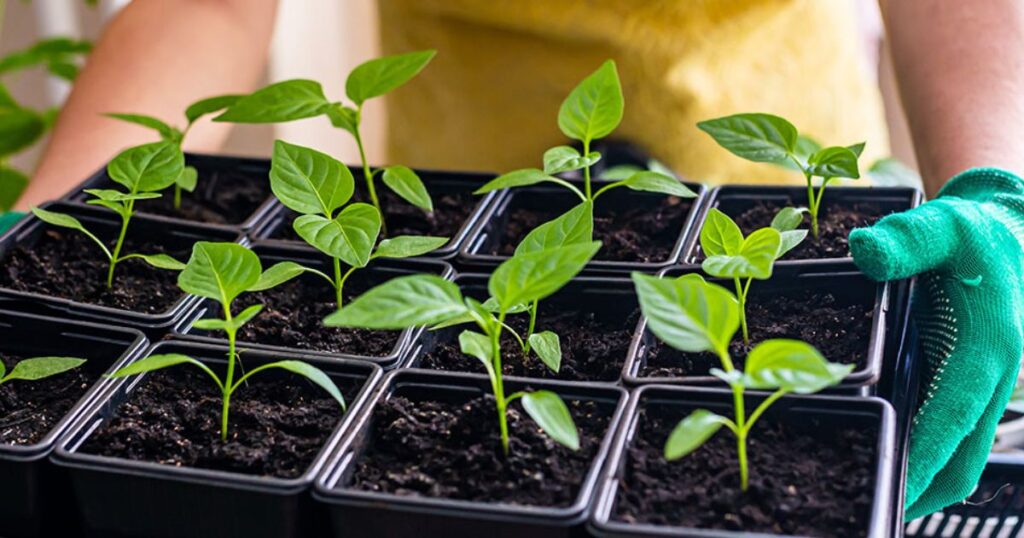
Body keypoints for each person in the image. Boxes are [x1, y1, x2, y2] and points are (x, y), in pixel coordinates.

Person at [6, 0, 1024, 520]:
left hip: (762, 181)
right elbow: (209, 4)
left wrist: (992, 178)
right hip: (459, 189)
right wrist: (57, 230)